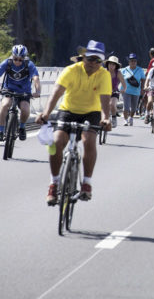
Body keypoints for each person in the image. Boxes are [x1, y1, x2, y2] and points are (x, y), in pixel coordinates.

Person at [36, 40, 112, 204]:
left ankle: (87, 184)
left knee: (89, 141)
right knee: (56, 143)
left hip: (91, 113)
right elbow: (56, 91)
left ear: (102, 63)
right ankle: (54, 183)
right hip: (68, 111)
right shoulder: (71, 70)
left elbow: (105, 98)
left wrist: (106, 118)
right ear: (83, 58)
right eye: (90, 59)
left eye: (98, 60)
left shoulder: (104, 75)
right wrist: (46, 113)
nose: (93, 63)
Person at [0, 44, 41, 142]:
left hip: (24, 92)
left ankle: (22, 128)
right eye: (15, 59)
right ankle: (0, 132)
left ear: (24, 58)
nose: (18, 61)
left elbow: (36, 79)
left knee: (25, 109)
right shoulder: (7, 63)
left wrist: (38, 91)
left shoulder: (29, 64)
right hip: (9, 89)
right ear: (12, 56)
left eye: (20, 59)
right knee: (5, 105)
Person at [120, 53, 146, 126]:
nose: (133, 62)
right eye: (131, 61)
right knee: (126, 106)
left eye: (134, 61)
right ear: (129, 62)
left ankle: (131, 117)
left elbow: (143, 79)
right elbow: (120, 79)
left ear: (136, 62)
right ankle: (125, 120)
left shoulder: (140, 70)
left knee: (134, 108)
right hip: (126, 91)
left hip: (136, 91)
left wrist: (142, 89)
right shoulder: (124, 70)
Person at [104, 56, 126, 127]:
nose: (111, 66)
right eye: (110, 64)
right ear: (108, 64)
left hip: (114, 92)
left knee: (112, 105)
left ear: (116, 66)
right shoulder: (104, 72)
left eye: (113, 64)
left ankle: (114, 118)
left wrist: (123, 89)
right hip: (104, 92)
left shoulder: (118, 73)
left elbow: (124, 83)